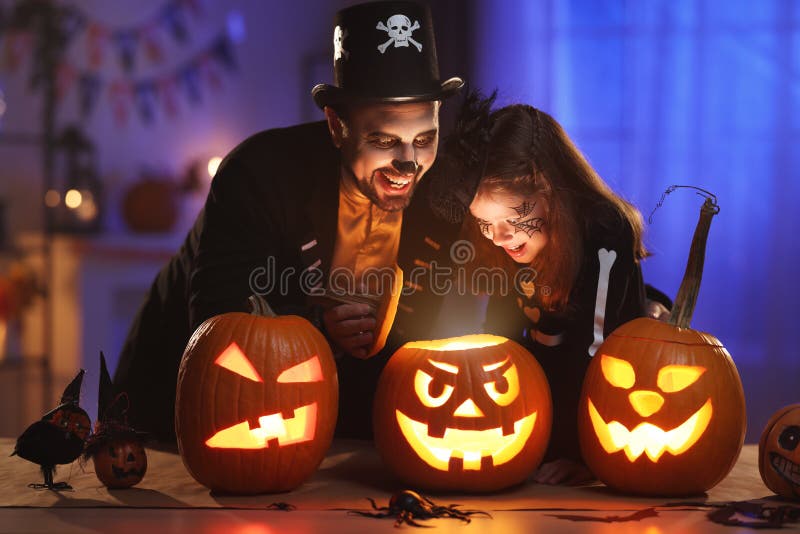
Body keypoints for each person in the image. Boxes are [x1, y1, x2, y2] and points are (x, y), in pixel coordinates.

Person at [114, 1, 463, 442]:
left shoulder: (442, 200)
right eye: (383, 140)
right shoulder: (258, 174)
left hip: (340, 427)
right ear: (337, 126)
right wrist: (318, 329)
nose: (408, 163)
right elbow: (219, 322)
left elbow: (427, 330)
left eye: (424, 140)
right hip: (188, 411)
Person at [441, 94, 649, 485]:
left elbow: (597, 350)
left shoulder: (604, 230)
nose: (499, 235)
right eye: (484, 222)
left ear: (548, 187)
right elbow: (502, 343)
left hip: (605, 385)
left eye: (511, 216)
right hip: (547, 387)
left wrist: (585, 453)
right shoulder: (500, 246)